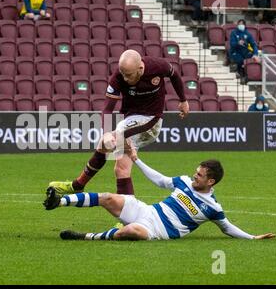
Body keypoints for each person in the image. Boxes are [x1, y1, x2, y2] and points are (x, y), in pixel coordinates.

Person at [44, 148, 276, 241]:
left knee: (130, 231)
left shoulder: (212, 208)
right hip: (148, 211)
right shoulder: (184, 182)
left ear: (211, 181)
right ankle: (60, 201)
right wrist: (136, 160)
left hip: (158, 231)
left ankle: (85, 236)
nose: (194, 176)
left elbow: (227, 228)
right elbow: (160, 180)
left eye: (199, 175)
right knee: (108, 197)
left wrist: (253, 238)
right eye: (196, 172)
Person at [49, 49, 189, 197]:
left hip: (150, 121)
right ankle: (78, 186)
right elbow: (107, 109)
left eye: (128, 75)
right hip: (130, 120)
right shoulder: (118, 77)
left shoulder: (158, 66)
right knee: (106, 148)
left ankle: (127, 216)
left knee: (120, 147)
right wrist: (107, 133)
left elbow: (174, 75)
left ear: (140, 68)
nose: (125, 79)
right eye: (122, 74)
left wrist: (183, 100)